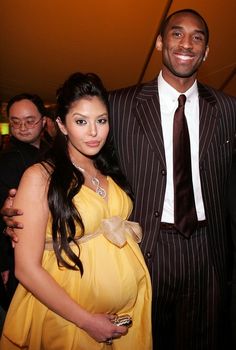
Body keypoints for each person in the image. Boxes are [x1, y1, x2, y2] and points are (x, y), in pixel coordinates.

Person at [2, 9, 236, 350]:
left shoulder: (228, 109)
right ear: (159, 42)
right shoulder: (121, 105)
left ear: (207, 50)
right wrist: (20, 206)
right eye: (176, 34)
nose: (187, 43)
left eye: (197, 37)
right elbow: (67, 162)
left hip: (208, 252)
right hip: (148, 251)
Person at [0, 72, 152, 350]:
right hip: (69, 320)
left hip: (126, 319)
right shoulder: (40, 176)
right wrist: (86, 321)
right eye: (81, 121)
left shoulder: (109, 167)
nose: (94, 132)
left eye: (101, 120)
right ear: (62, 124)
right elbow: (25, 268)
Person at [0, 93, 47, 308]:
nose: (22, 127)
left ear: (43, 121)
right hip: (20, 253)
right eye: (15, 122)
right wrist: (4, 263)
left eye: (30, 121)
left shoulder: (52, 151)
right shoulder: (9, 159)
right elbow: (5, 217)